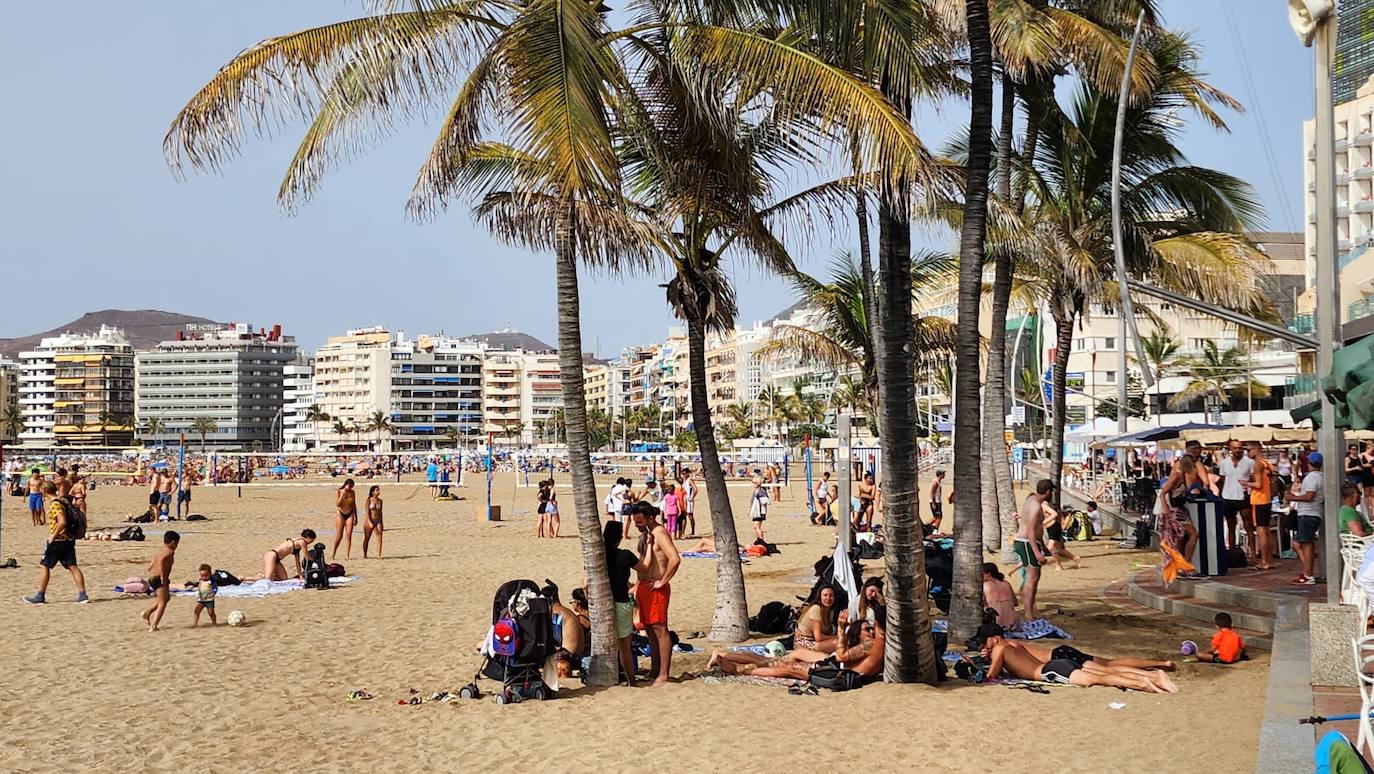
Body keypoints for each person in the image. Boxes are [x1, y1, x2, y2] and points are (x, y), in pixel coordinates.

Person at [632, 502, 681, 686]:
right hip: (645, 586)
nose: (637, 524)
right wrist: (637, 585)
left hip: (656, 587)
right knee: (650, 630)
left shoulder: (659, 533)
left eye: (639, 521)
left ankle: (663, 674)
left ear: (650, 518)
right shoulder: (648, 534)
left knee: (660, 629)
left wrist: (663, 581)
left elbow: (675, 558)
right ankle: (655, 670)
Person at [22, 481, 89, 605]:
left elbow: (62, 521)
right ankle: (82, 594)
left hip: (59, 540)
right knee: (72, 566)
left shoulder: (55, 504)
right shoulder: (64, 501)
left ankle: (40, 595)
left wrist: (53, 535)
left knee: (45, 565)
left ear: (44, 491)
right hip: (69, 538)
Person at [603, 520, 647, 686]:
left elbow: (586, 584)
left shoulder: (597, 555)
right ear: (620, 537)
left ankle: (609, 678)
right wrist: (647, 548)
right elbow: (645, 568)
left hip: (602, 603)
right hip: (621, 603)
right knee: (624, 648)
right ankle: (631, 680)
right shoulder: (625, 555)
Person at [1014, 479, 1054, 620]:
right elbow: (1031, 529)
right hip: (1026, 542)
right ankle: (1029, 613)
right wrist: (1037, 551)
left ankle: (1030, 610)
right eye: (1052, 491)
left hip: (1024, 542)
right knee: (1032, 578)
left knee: (1031, 577)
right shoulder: (1036, 506)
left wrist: (1041, 546)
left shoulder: (1031, 499)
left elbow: (1035, 528)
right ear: (1048, 491)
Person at [1285, 451, 1324, 585]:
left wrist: (1293, 498)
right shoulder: (1319, 476)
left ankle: (1308, 574)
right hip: (1312, 513)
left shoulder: (1312, 477)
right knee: (1302, 543)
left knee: (1304, 544)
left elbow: (1309, 496)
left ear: (1309, 463)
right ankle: (1308, 571)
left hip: (1308, 513)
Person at [1244, 441, 1276, 569]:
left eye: (1249, 450)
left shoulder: (1258, 464)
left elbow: (1258, 485)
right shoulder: (1267, 463)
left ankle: (1264, 561)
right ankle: (1269, 560)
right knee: (1267, 531)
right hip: (1267, 499)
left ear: (1256, 449)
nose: (1248, 452)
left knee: (1261, 531)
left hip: (1259, 500)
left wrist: (1246, 483)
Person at [1218, 439, 1254, 550]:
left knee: (1248, 525)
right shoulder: (1224, 463)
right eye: (1235, 448)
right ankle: (1232, 552)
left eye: (1239, 448)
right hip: (1228, 497)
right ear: (1230, 449)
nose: (1237, 450)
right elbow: (1223, 479)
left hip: (1243, 496)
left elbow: (1253, 478)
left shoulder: (1249, 462)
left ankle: (1252, 552)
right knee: (1231, 526)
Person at [141, 531, 180, 633]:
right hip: (160, 578)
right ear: (172, 542)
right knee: (162, 602)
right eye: (176, 543)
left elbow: (150, 566)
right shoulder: (169, 551)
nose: (176, 546)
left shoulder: (160, 551)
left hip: (152, 578)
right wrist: (163, 576)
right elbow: (162, 561)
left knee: (166, 598)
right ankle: (153, 626)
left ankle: (148, 612)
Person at [794, 585, 841, 653]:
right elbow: (818, 637)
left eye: (831, 595)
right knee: (840, 642)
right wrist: (838, 636)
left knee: (842, 641)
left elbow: (826, 633)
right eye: (825, 595)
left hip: (815, 641)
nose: (828, 598)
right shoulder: (816, 608)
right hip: (804, 643)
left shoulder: (830, 611)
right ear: (820, 597)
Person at [1042, 503, 1081, 570]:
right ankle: (1075, 558)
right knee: (1058, 549)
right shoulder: (1039, 506)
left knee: (1051, 548)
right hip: (1050, 528)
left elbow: (1063, 526)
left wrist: (1044, 522)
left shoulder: (1044, 506)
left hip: (1054, 528)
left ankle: (1058, 565)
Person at [981, 563, 1019, 629]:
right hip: (1014, 623)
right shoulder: (1006, 583)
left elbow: (982, 604)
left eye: (982, 574)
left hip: (997, 624)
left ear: (989, 574)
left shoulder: (984, 586)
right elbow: (1015, 602)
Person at [332, 478, 358, 560]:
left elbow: (354, 504)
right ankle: (334, 553)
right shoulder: (339, 491)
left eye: (351, 487)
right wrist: (342, 496)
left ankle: (347, 555)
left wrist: (355, 516)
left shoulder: (352, 493)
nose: (350, 488)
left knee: (349, 534)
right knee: (339, 536)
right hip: (340, 513)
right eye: (349, 486)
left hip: (349, 513)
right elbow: (337, 504)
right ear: (345, 484)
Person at [363, 485, 384, 558]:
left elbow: (380, 512)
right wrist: (369, 522)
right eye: (377, 490)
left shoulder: (380, 501)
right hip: (369, 520)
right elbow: (367, 512)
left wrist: (381, 522)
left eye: (379, 490)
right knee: (367, 538)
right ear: (373, 492)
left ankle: (378, 555)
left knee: (379, 537)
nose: (379, 491)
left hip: (378, 521)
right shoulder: (369, 500)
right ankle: (365, 554)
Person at [748, 475, 769, 541]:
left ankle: (761, 540)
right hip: (755, 511)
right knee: (755, 527)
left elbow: (766, 500)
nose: (753, 484)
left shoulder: (761, 491)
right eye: (753, 482)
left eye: (755, 482)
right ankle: (758, 539)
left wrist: (759, 499)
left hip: (760, 511)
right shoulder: (756, 490)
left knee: (757, 526)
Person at [681, 468, 698, 536]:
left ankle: (693, 530)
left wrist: (692, 497)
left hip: (689, 500)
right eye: (682, 474)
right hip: (684, 499)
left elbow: (696, 489)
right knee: (684, 515)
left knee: (690, 515)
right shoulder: (684, 481)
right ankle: (683, 531)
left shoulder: (689, 480)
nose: (683, 475)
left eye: (684, 474)